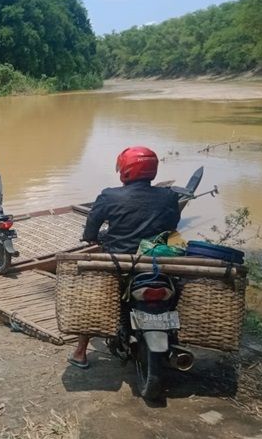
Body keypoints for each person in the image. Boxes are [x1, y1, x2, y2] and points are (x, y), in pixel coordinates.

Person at [68, 146, 181, 369]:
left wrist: (91, 237)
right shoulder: (169, 196)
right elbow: (172, 225)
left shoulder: (109, 195)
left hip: (118, 263)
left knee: (93, 298)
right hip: (156, 262)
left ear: (125, 170)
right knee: (177, 292)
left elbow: (92, 228)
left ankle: (80, 352)